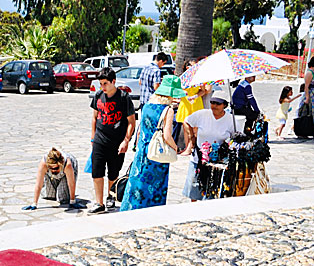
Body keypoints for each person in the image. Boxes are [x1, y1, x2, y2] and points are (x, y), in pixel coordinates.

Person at [120, 75, 185, 212]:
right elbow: (167, 135)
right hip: (157, 153)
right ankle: (152, 213)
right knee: (155, 187)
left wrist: (138, 147)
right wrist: (175, 147)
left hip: (143, 151)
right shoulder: (168, 110)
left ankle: (131, 211)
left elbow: (140, 131)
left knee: (138, 185)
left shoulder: (146, 106)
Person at [89, 67, 136, 214]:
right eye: (100, 84)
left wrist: (126, 140)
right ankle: (99, 202)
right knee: (97, 171)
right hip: (100, 139)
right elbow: (94, 117)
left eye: (105, 84)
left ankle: (111, 196)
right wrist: (92, 137)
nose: (102, 87)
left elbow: (131, 122)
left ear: (113, 82)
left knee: (113, 172)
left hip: (117, 141)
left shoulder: (123, 98)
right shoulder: (98, 96)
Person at [181, 94, 235, 201]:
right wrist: (191, 138)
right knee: (195, 189)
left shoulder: (230, 120)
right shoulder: (203, 114)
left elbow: (235, 137)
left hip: (217, 161)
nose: (214, 106)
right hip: (199, 157)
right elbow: (186, 121)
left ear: (224, 105)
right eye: (212, 102)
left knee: (213, 189)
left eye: (218, 103)